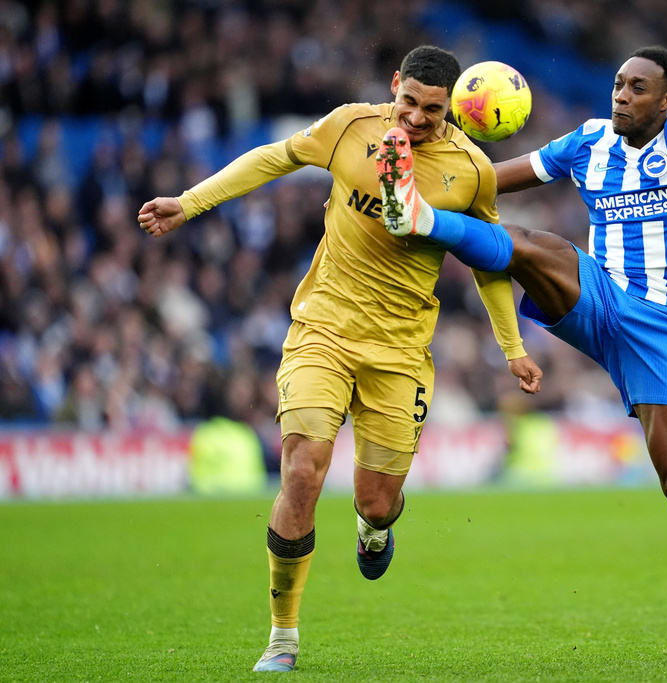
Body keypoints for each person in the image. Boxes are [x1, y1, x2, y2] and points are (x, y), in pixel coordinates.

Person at [137, 45, 543, 673]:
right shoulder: (351, 124)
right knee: (303, 467)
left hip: (400, 350)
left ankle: (375, 529)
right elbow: (274, 158)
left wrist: (512, 348)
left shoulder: (472, 171)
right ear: (394, 87)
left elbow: (489, 258)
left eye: (431, 111)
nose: (414, 118)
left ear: (452, 109)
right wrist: (189, 203)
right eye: (407, 102)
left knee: (377, 500)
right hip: (321, 329)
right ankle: (282, 637)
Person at [374, 45, 667, 657]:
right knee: (531, 244)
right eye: (618, 84)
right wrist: (428, 158)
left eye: (638, 88)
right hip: (599, 299)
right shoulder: (587, 143)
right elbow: (489, 180)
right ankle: (418, 218)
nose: (621, 95)